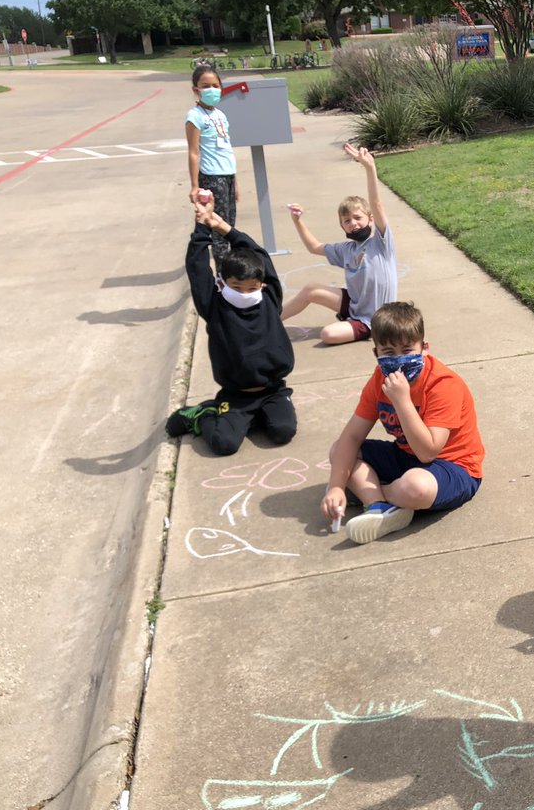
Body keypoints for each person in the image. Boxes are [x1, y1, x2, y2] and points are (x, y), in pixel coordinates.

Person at [322, 302, 484, 545]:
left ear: (424, 348)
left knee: (415, 487)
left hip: (454, 466)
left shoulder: (443, 384)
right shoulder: (379, 380)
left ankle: (377, 493)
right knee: (339, 450)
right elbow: (351, 437)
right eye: (388, 352)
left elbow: (428, 452)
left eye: (407, 350)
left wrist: (402, 400)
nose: (398, 359)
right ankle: (379, 506)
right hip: (406, 456)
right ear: (376, 354)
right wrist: (335, 486)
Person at [165, 193, 296, 456]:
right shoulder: (215, 307)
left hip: (273, 391)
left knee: (283, 431)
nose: (245, 293)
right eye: (237, 287)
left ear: (262, 285)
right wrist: (203, 226)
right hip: (235, 396)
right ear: (222, 283)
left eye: (251, 287)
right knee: (224, 445)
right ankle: (203, 414)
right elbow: (198, 268)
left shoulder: (269, 298)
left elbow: (259, 254)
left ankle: (255, 417)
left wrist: (224, 227)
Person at [282, 143, 397, 345]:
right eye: (347, 221)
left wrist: (370, 168)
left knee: (328, 334)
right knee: (311, 289)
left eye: (357, 217)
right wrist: (297, 221)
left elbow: (376, 203)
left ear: (371, 219)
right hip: (355, 306)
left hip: (375, 321)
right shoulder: (346, 249)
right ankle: (270, 321)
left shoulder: (381, 242)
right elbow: (314, 247)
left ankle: (360, 328)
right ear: (342, 227)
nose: (353, 223)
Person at [186, 65, 238, 272]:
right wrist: (194, 186)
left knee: (229, 226)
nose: (212, 90)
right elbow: (193, 151)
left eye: (216, 86)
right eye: (205, 86)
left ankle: (229, 270)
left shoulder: (220, 115)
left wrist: (236, 182)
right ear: (195, 89)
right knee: (217, 228)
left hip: (227, 175)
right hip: (211, 177)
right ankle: (222, 276)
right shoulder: (194, 116)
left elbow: (228, 150)